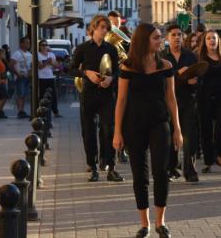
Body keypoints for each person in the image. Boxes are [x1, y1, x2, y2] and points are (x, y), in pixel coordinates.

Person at [113, 23, 182, 238]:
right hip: (134, 125)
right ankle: (145, 224)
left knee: (161, 171)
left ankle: (161, 222)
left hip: (160, 122)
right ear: (144, 40)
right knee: (139, 175)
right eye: (156, 37)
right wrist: (117, 132)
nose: (160, 41)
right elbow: (121, 100)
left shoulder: (166, 65)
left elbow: (171, 98)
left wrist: (177, 129)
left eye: (160, 37)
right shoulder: (128, 66)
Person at [70, 15, 124, 182]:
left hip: (107, 95)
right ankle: (93, 167)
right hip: (88, 94)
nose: (104, 31)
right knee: (89, 131)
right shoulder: (82, 48)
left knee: (109, 130)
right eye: (101, 27)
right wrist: (86, 73)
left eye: (106, 28)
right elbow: (71, 69)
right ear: (93, 28)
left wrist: (111, 79)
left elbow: (117, 71)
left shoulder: (111, 49)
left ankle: (111, 167)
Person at [162, 24, 200, 182]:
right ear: (167, 38)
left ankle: (190, 171)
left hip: (188, 100)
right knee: (170, 136)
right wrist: (178, 75)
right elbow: (159, 81)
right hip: (168, 102)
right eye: (173, 35)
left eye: (179, 34)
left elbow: (199, 77)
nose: (177, 37)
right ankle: (171, 168)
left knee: (189, 136)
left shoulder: (190, 57)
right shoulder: (162, 57)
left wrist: (194, 82)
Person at [195, 30, 221, 174]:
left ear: (218, 41)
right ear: (205, 42)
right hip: (204, 96)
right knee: (206, 130)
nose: (212, 40)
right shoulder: (199, 57)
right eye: (209, 38)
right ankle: (208, 161)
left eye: (214, 38)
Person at [38, 40, 60, 117]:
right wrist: (47, 61)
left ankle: (56, 111)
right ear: (39, 46)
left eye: (46, 45)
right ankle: (41, 112)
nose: (44, 46)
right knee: (42, 95)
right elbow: (40, 67)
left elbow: (57, 66)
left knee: (54, 95)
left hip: (50, 77)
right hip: (41, 78)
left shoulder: (51, 54)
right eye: (43, 45)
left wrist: (53, 63)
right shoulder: (38, 55)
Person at [10, 37, 32, 119]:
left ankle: (22, 110)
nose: (28, 44)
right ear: (21, 44)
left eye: (29, 42)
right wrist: (17, 74)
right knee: (20, 94)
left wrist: (30, 73)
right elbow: (11, 65)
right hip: (20, 77)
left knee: (24, 95)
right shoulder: (17, 54)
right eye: (26, 42)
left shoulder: (30, 54)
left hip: (27, 77)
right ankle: (20, 111)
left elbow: (31, 65)